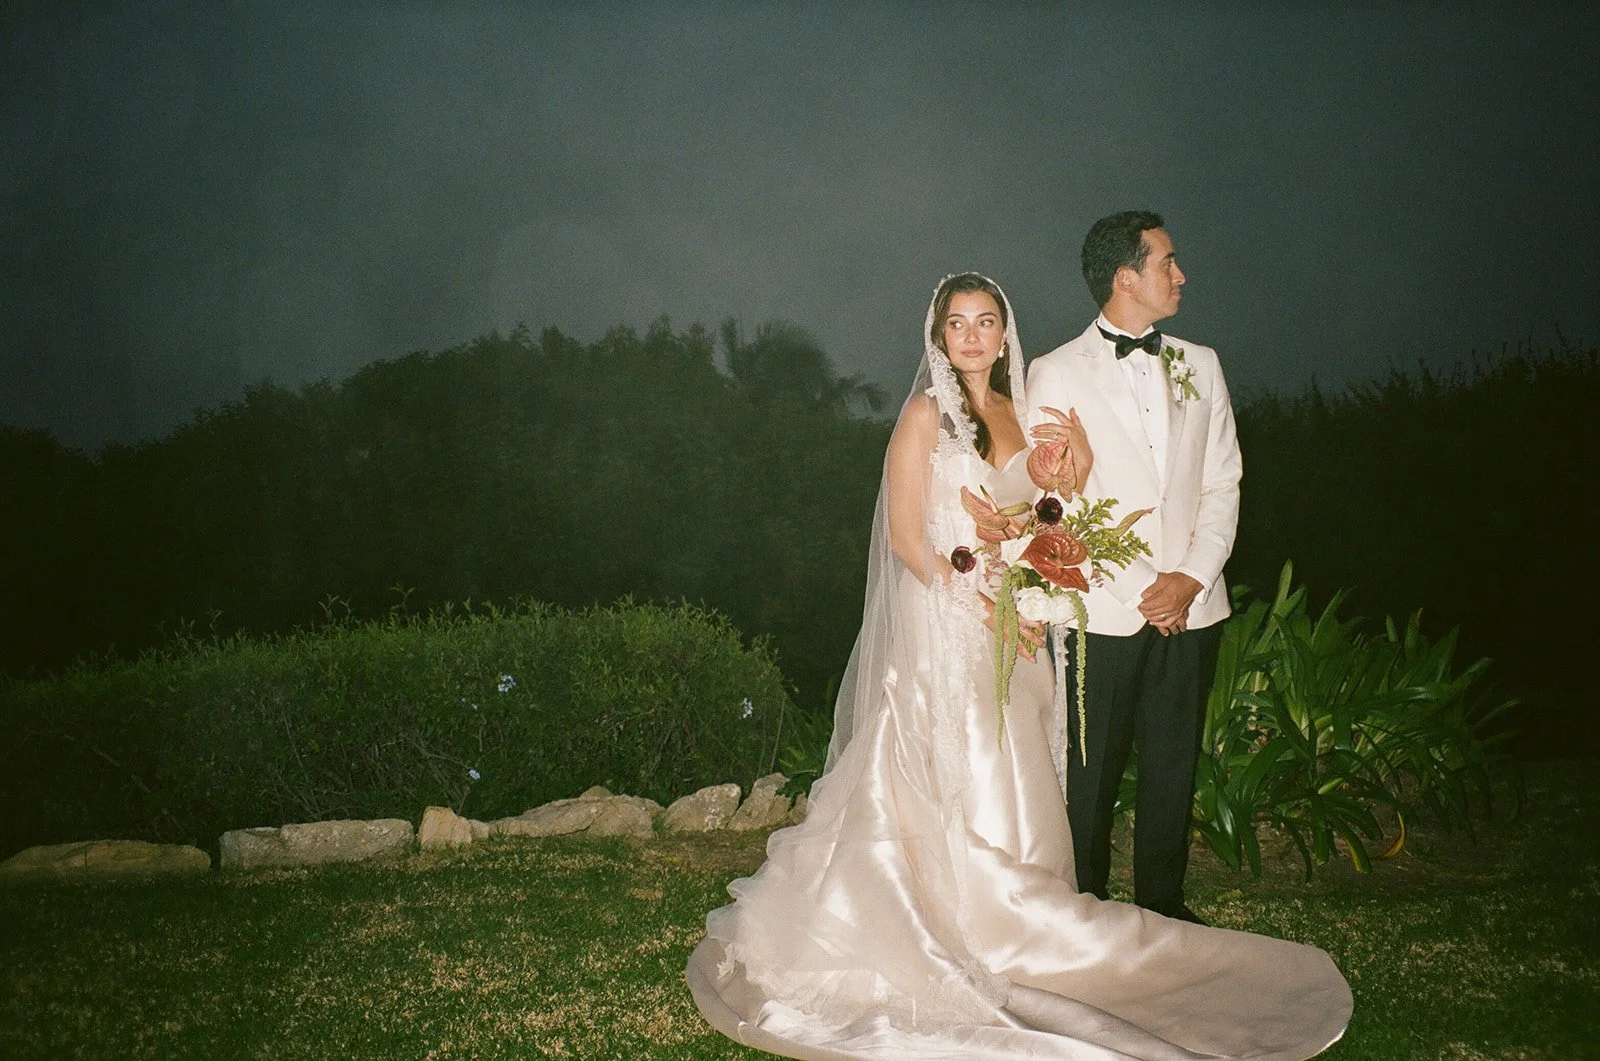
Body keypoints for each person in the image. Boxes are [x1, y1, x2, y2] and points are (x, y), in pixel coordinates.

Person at [686, 272, 1350, 1059]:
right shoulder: (925, 414)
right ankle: (950, 922)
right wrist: (976, 593)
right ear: (938, 337)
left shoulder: (1017, 407)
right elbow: (907, 537)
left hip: (1017, 627)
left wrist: (1050, 518)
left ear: (1005, 331)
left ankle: (1029, 917)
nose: (971, 336)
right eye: (957, 323)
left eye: (985, 321)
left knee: (1027, 769)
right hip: (949, 629)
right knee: (963, 771)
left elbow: (1029, 510)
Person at [1027, 211, 1238, 924]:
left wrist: (1191, 577)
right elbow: (1053, 502)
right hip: (1104, 608)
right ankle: (1084, 908)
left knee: (1173, 765)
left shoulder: (1202, 363)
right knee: (1090, 775)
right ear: (1126, 276)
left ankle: (1164, 904)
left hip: (1192, 606)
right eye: (1168, 262)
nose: (1180, 274)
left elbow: (1223, 482)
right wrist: (1140, 585)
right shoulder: (1053, 371)